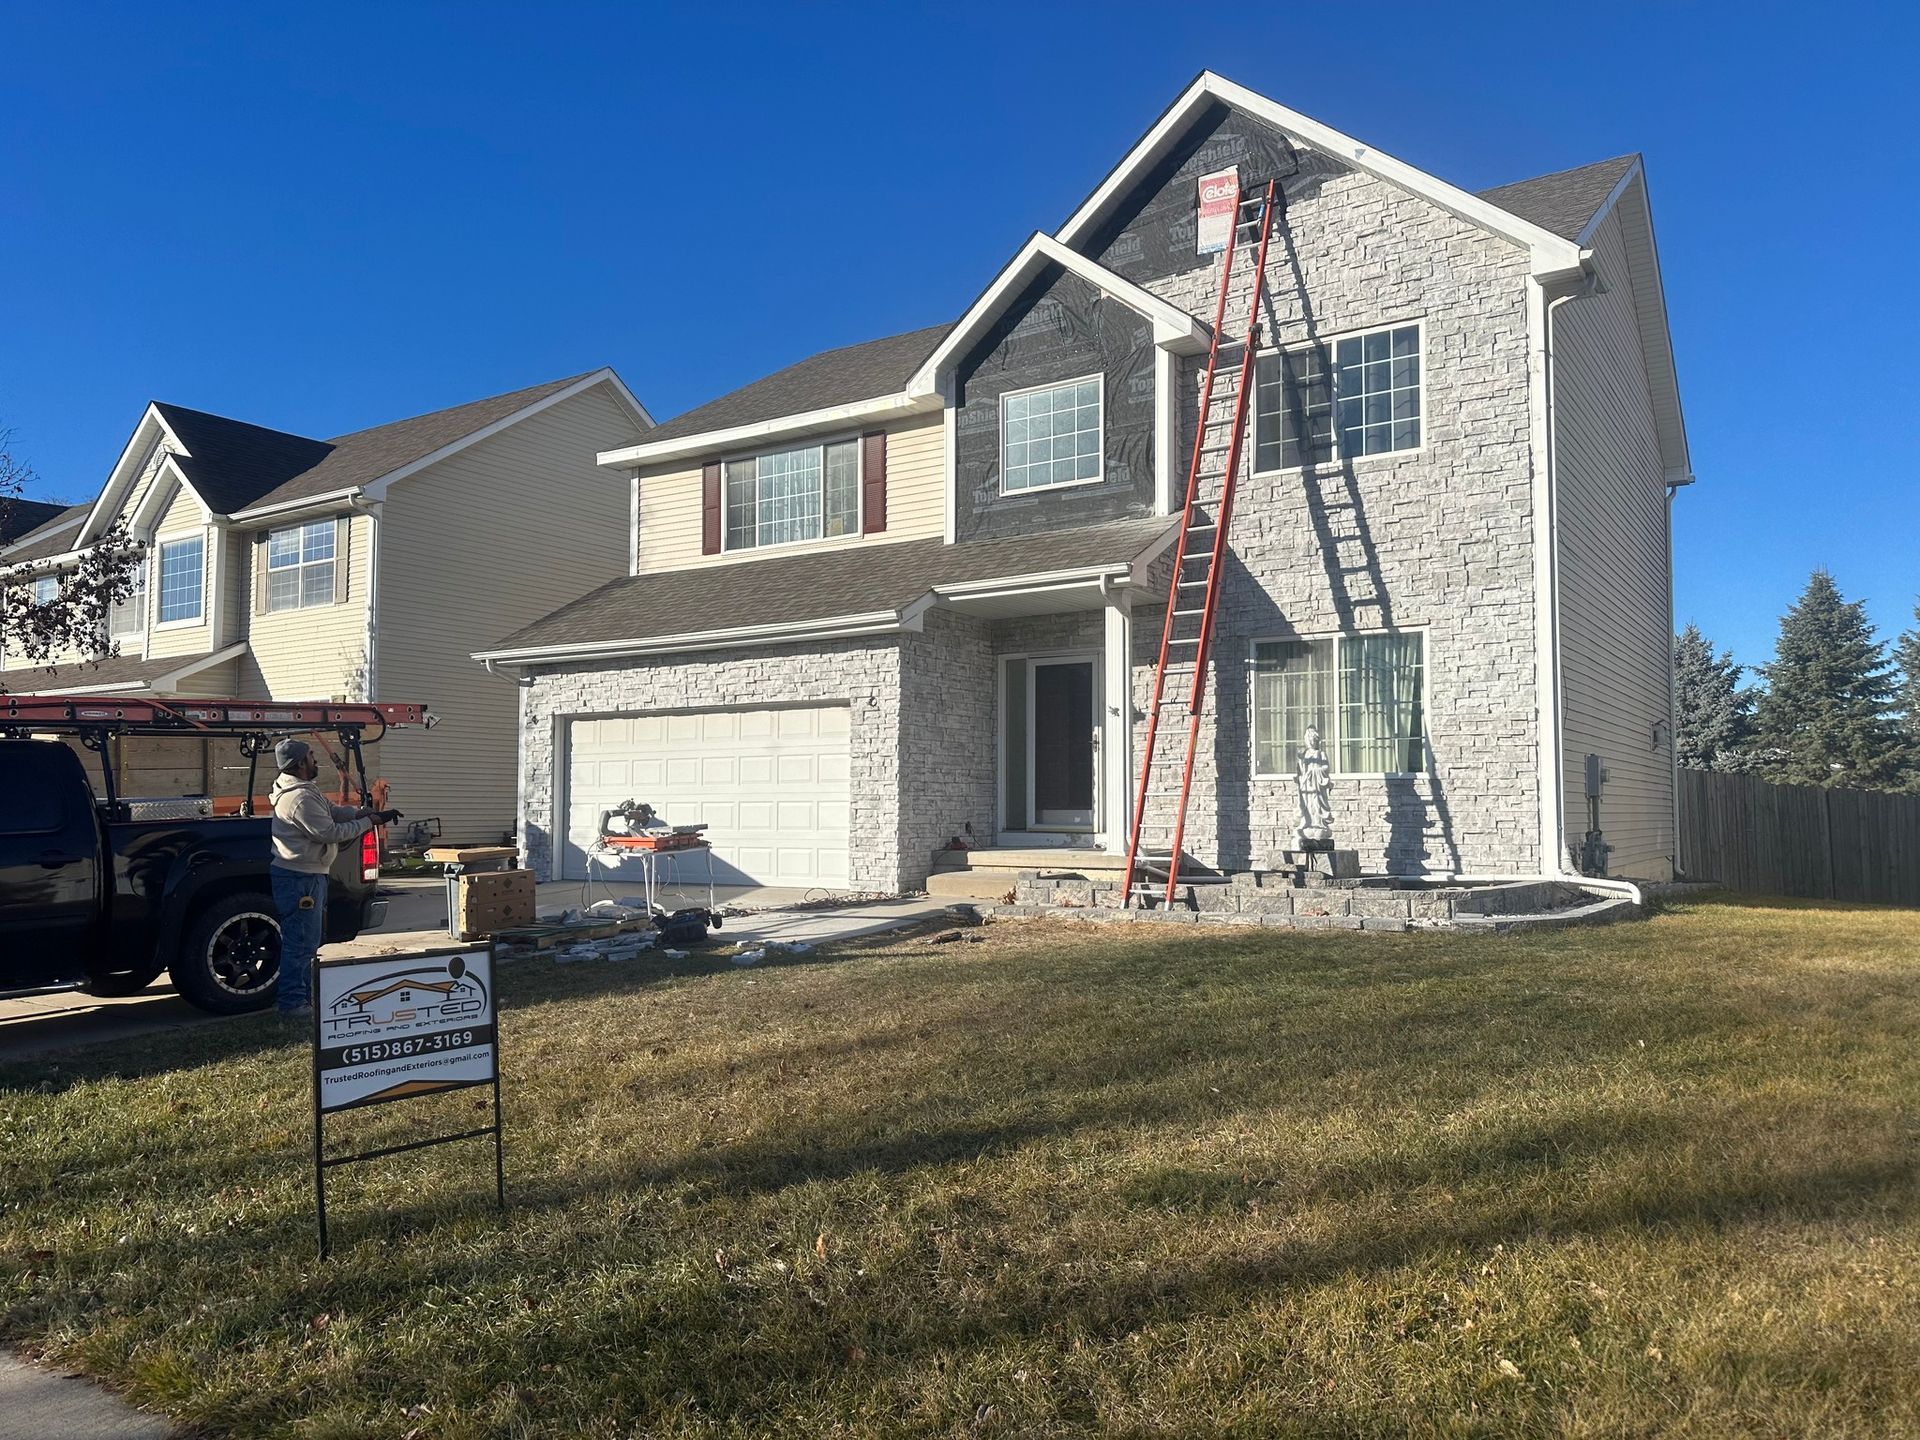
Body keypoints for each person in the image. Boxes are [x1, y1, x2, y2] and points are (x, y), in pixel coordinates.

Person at [268, 738, 399, 1018]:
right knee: (301, 943)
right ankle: (293, 1003)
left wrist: (361, 812)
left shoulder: (303, 789)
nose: (315, 759)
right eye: (311, 755)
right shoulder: (299, 798)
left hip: (305, 876)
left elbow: (332, 813)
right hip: (300, 879)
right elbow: (329, 833)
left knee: (306, 941)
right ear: (300, 763)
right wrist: (369, 822)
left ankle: (303, 999)